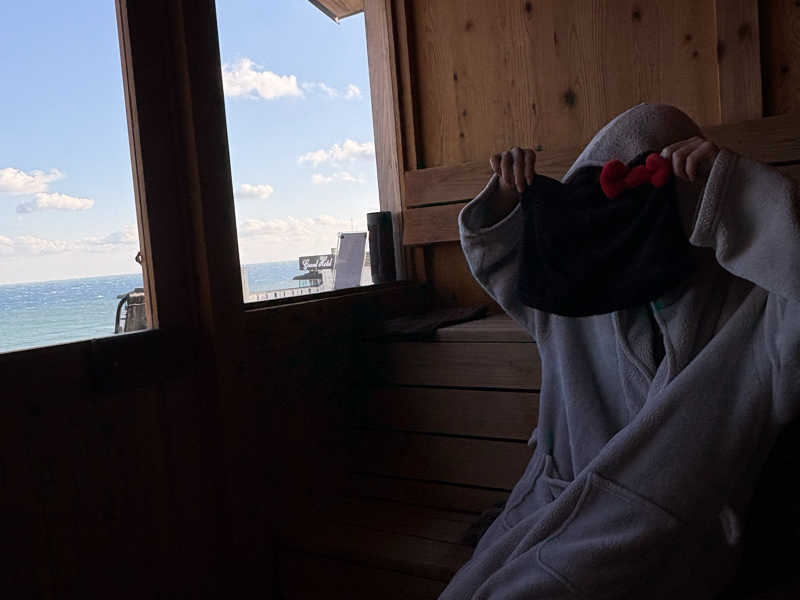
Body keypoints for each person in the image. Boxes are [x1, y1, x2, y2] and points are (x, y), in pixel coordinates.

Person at [438, 103, 800, 599]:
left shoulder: (751, 312)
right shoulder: (572, 295)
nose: (629, 219)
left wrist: (736, 190)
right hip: (551, 501)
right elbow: (509, 269)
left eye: (649, 196)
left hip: (664, 538)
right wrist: (505, 200)